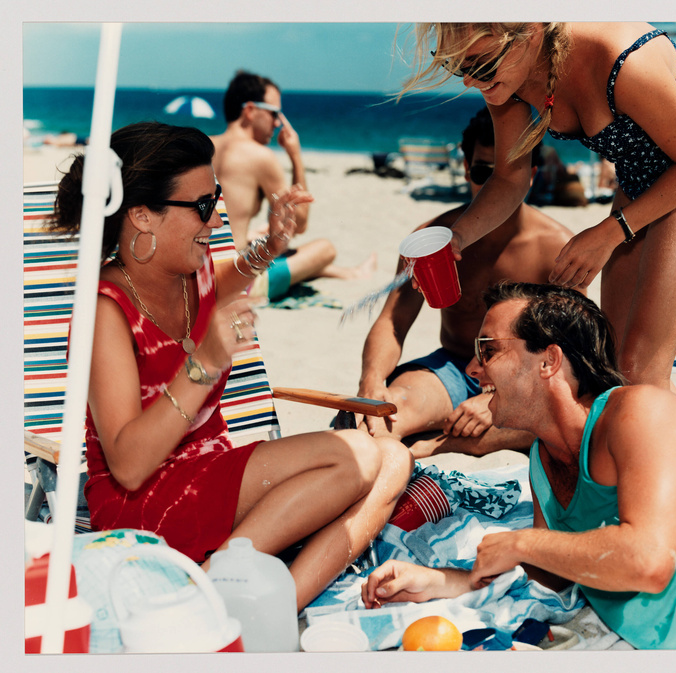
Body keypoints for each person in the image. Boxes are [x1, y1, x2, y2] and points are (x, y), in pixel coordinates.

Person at [50, 122, 413, 613]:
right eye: (202, 206)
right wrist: (204, 363)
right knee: (360, 458)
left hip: (211, 474)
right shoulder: (106, 312)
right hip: (146, 501)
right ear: (142, 216)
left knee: (394, 457)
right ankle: (216, 585)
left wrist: (271, 245)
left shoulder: (187, 271)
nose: (217, 216)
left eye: (216, 196)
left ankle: (275, 603)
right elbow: (129, 466)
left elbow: (224, 282)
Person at [362, 281, 676, 650]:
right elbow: (554, 569)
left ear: (549, 360)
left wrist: (521, 540)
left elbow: (646, 560)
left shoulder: (638, 411)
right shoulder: (542, 462)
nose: (473, 369)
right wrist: (448, 581)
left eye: (489, 349)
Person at [401, 23, 676, 390]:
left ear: (532, 32)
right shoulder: (509, 81)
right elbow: (510, 179)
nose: (470, 82)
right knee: (610, 366)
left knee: (641, 367)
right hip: (639, 176)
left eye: (481, 66)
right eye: (459, 67)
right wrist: (458, 237)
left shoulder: (621, 60)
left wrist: (608, 233)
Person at [357, 107, 574, 458]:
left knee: (561, 419)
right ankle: (399, 458)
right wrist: (371, 381)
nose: (492, 186)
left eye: (505, 174)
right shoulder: (430, 241)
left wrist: (494, 398)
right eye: (481, 171)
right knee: (380, 415)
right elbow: (392, 322)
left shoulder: (557, 249)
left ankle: (429, 449)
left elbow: (571, 354)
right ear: (464, 168)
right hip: (455, 366)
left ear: (530, 175)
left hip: (527, 382)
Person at [211, 70, 375, 301]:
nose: (277, 122)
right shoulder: (260, 156)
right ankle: (352, 273)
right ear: (249, 111)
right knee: (325, 248)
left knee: (262, 243)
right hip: (236, 282)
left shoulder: (203, 147)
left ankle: (348, 273)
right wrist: (295, 155)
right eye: (274, 113)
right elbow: (299, 223)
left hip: (201, 274)